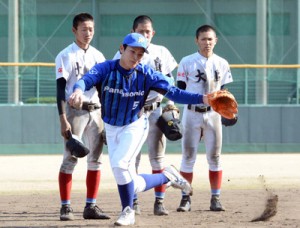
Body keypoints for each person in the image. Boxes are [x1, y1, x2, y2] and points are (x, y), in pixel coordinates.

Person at [68, 32, 209, 226]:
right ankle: (167, 176)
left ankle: (128, 211)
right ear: (122, 49)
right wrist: (77, 90)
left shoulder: (146, 74)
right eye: (132, 51)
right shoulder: (106, 68)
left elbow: (175, 93)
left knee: (119, 165)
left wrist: (203, 99)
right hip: (110, 126)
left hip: (134, 125)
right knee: (130, 181)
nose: (135, 57)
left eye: (140, 54)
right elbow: (85, 80)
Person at [113, 15, 178, 216]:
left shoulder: (161, 52)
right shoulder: (123, 52)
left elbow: (170, 82)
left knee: (157, 158)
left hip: (156, 110)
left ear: (153, 33)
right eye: (140, 31)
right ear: (133, 32)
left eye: (148, 31)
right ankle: (134, 201)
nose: (145, 34)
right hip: (132, 112)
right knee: (132, 160)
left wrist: (171, 104)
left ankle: (159, 201)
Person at [55, 13, 110, 221]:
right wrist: (63, 119)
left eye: (91, 29)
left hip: (96, 111)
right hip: (74, 112)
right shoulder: (65, 55)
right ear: (74, 30)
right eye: (84, 29)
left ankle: (91, 206)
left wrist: (106, 117)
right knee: (70, 159)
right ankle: (65, 207)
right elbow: (60, 89)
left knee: (96, 160)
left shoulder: (98, 55)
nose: (88, 33)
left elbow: (103, 88)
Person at [176, 24, 233, 212]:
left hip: (214, 114)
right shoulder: (187, 61)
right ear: (196, 40)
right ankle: (185, 198)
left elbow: (225, 91)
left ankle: (215, 198)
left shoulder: (222, 63)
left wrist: (229, 111)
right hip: (191, 114)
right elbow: (180, 89)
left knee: (215, 157)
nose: (207, 42)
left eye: (210, 39)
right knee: (188, 157)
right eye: (203, 39)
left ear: (215, 41)